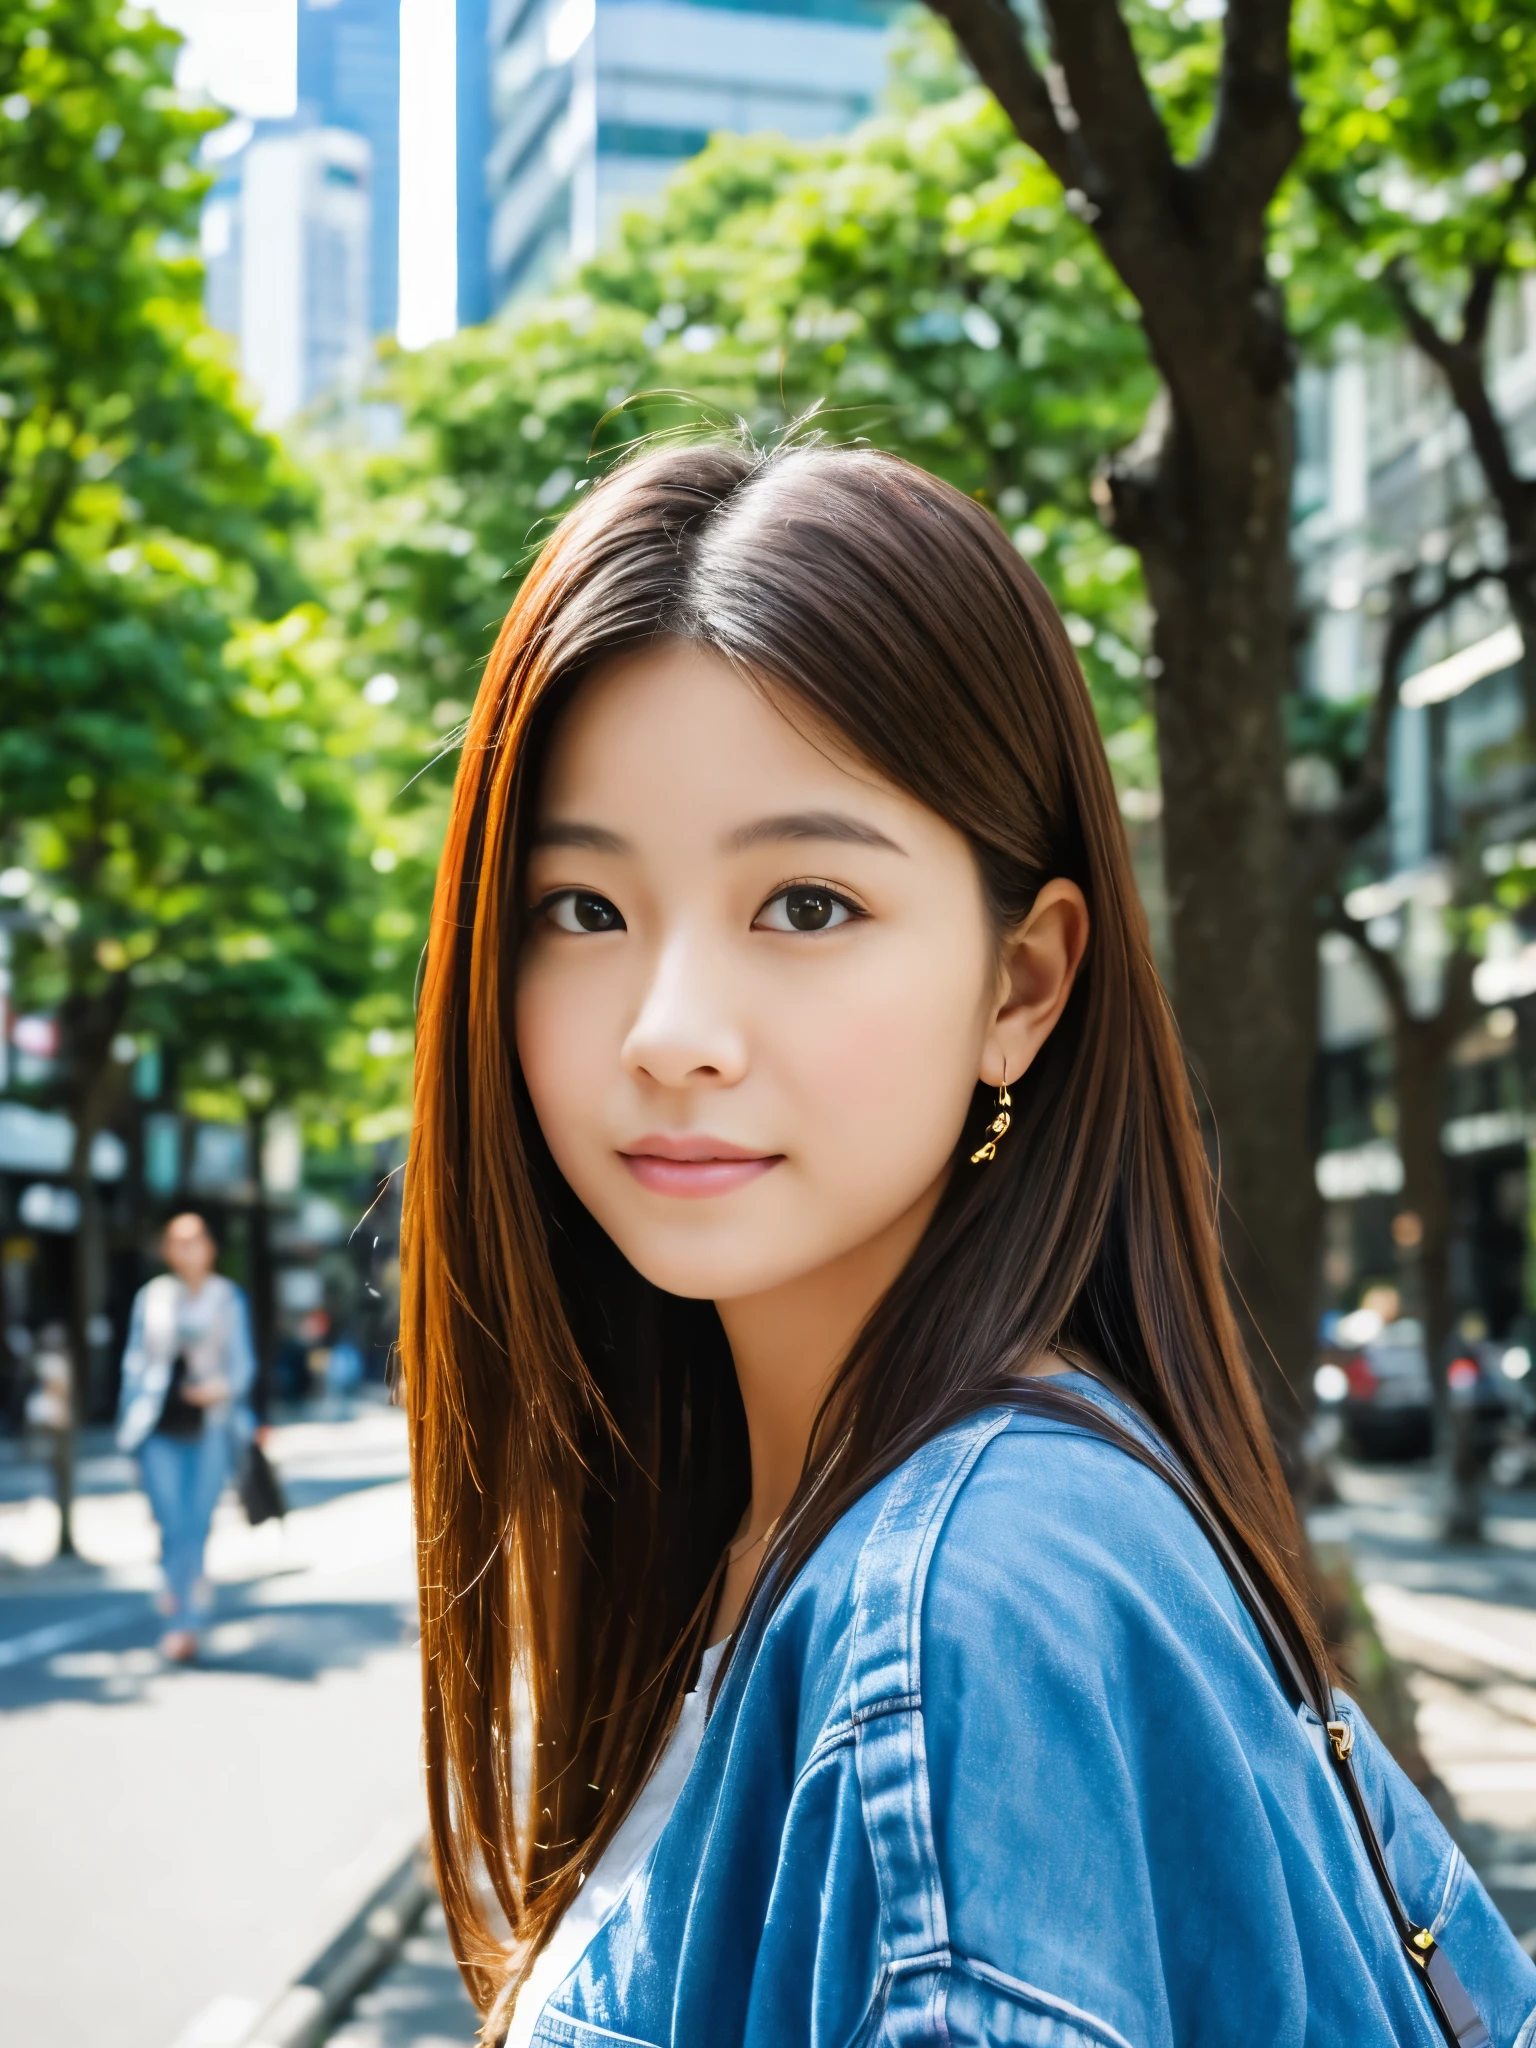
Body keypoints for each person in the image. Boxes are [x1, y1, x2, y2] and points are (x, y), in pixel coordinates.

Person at [399, 438, 1536, 2046]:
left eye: (804, 904)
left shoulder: (957, 1618)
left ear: (1023, 986)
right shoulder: (830, 1525)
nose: (669, 1032)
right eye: (581, 910)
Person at [117, 1212, 256, 1663]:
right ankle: (180, 1598)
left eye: (195, 1240)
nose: (187, 1249)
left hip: (210, 1424)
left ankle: (185, 1619)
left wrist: (218, 1389)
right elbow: (134, 1364)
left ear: (210, 1247)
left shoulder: (226, 1298)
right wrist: (126, 1427)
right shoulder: (152, 1297)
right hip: (156, 1424)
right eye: (178, 1241)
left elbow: (243, 1364)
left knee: (196, 1523)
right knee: (170, 1520)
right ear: (167, 1250)